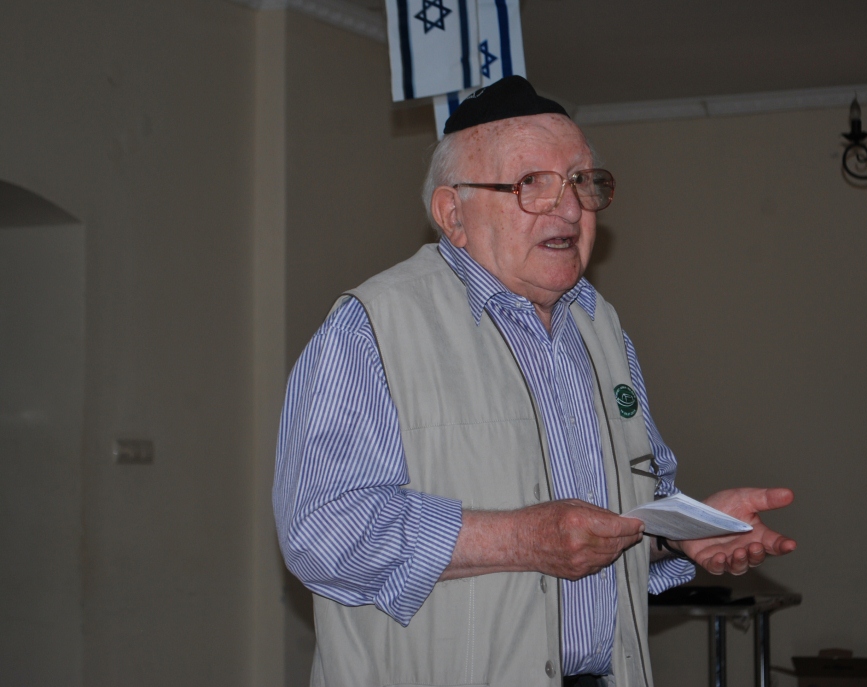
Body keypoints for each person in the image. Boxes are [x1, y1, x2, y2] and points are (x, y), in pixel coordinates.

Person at [273, 76, 796, 687]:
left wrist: (686, 533)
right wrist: (522, 539)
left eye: (581, 181)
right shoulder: (373, 329)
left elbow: (610, 526)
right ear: (453, 214)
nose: (570, 208)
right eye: (532, 184)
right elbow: (322, 531)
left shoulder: (601, 328)